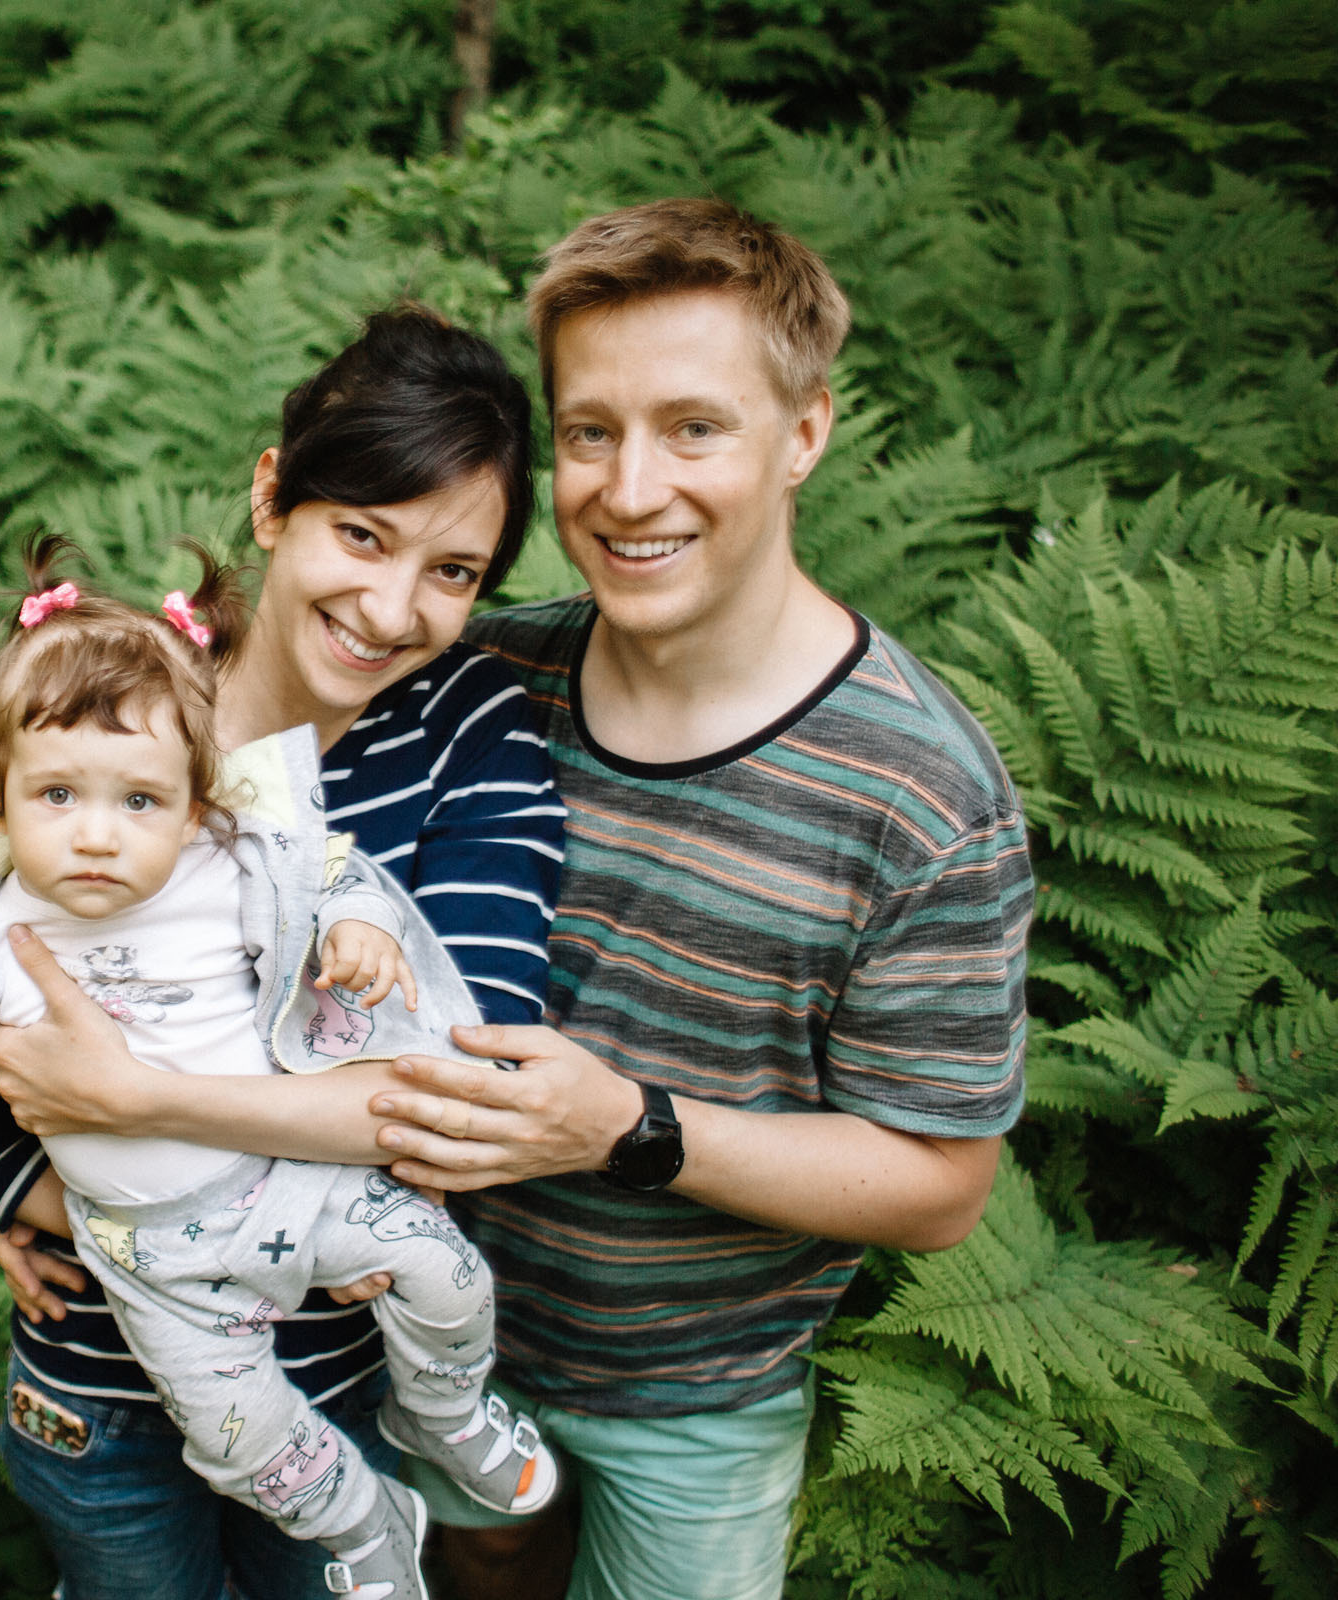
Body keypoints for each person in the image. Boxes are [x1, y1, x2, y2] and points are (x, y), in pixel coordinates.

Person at [349, 198, 1035, 1600]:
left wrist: (627, 1130)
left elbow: (940, 1187)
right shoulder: (474, 683)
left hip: (696, 1399)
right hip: (413, 1336)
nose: (629, 487)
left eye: (694, 428)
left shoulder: (922, 799)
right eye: (590, 431)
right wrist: (65, 1169)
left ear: (805, 434)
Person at [0, 306, 568, 1600]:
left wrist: (129, 1107)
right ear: (273, 496)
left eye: (453, 572)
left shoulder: (468, 732)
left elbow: (455, 1100)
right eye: (362, 534)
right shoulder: (112, 702)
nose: (393, 609)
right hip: (91, 1388)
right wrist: (15, 1184)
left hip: (335, 1390)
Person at [0, 543, 557, 1600]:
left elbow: (335, 873)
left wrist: (363, 929)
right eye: (57, 793)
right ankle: (370, 1525)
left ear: (194, 804)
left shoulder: (232, 864)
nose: (97, 835)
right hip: (151, 1260)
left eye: (139, 801)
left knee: (446, 1272)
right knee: (247, 1440)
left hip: (297, 1187)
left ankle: (442, 1410)